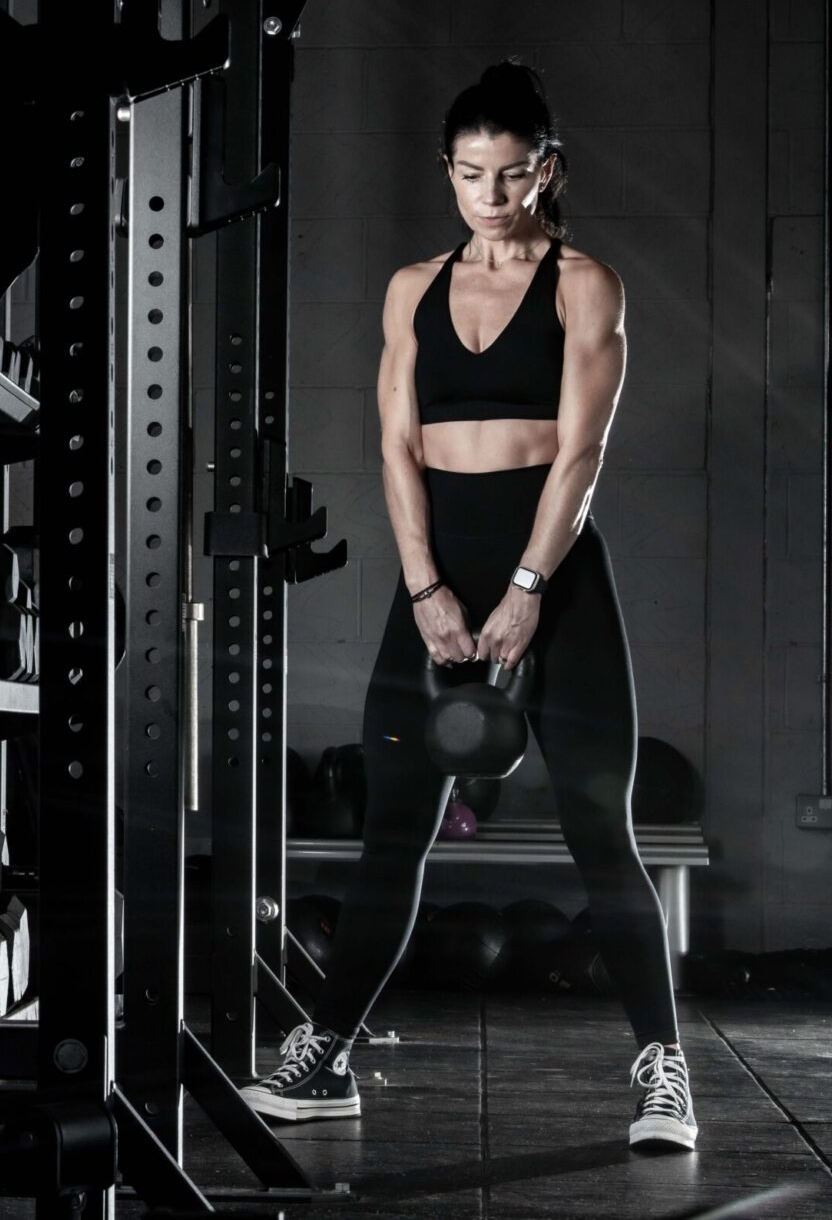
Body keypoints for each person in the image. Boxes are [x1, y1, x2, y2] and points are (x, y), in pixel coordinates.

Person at [239, 62, 697, 1152]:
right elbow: (395, 446)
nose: (489, 194)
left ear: (548, 169)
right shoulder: (412, 288)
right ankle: (325, 1054)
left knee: (599, 823)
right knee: (396, 825)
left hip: (558, 565)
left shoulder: (588, 284)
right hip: (439, 570)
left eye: (511, 173)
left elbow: (581, 451)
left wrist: (531, 587)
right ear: (448, 170)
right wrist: (427, 587)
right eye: (470, 173)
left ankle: (664, 1071)